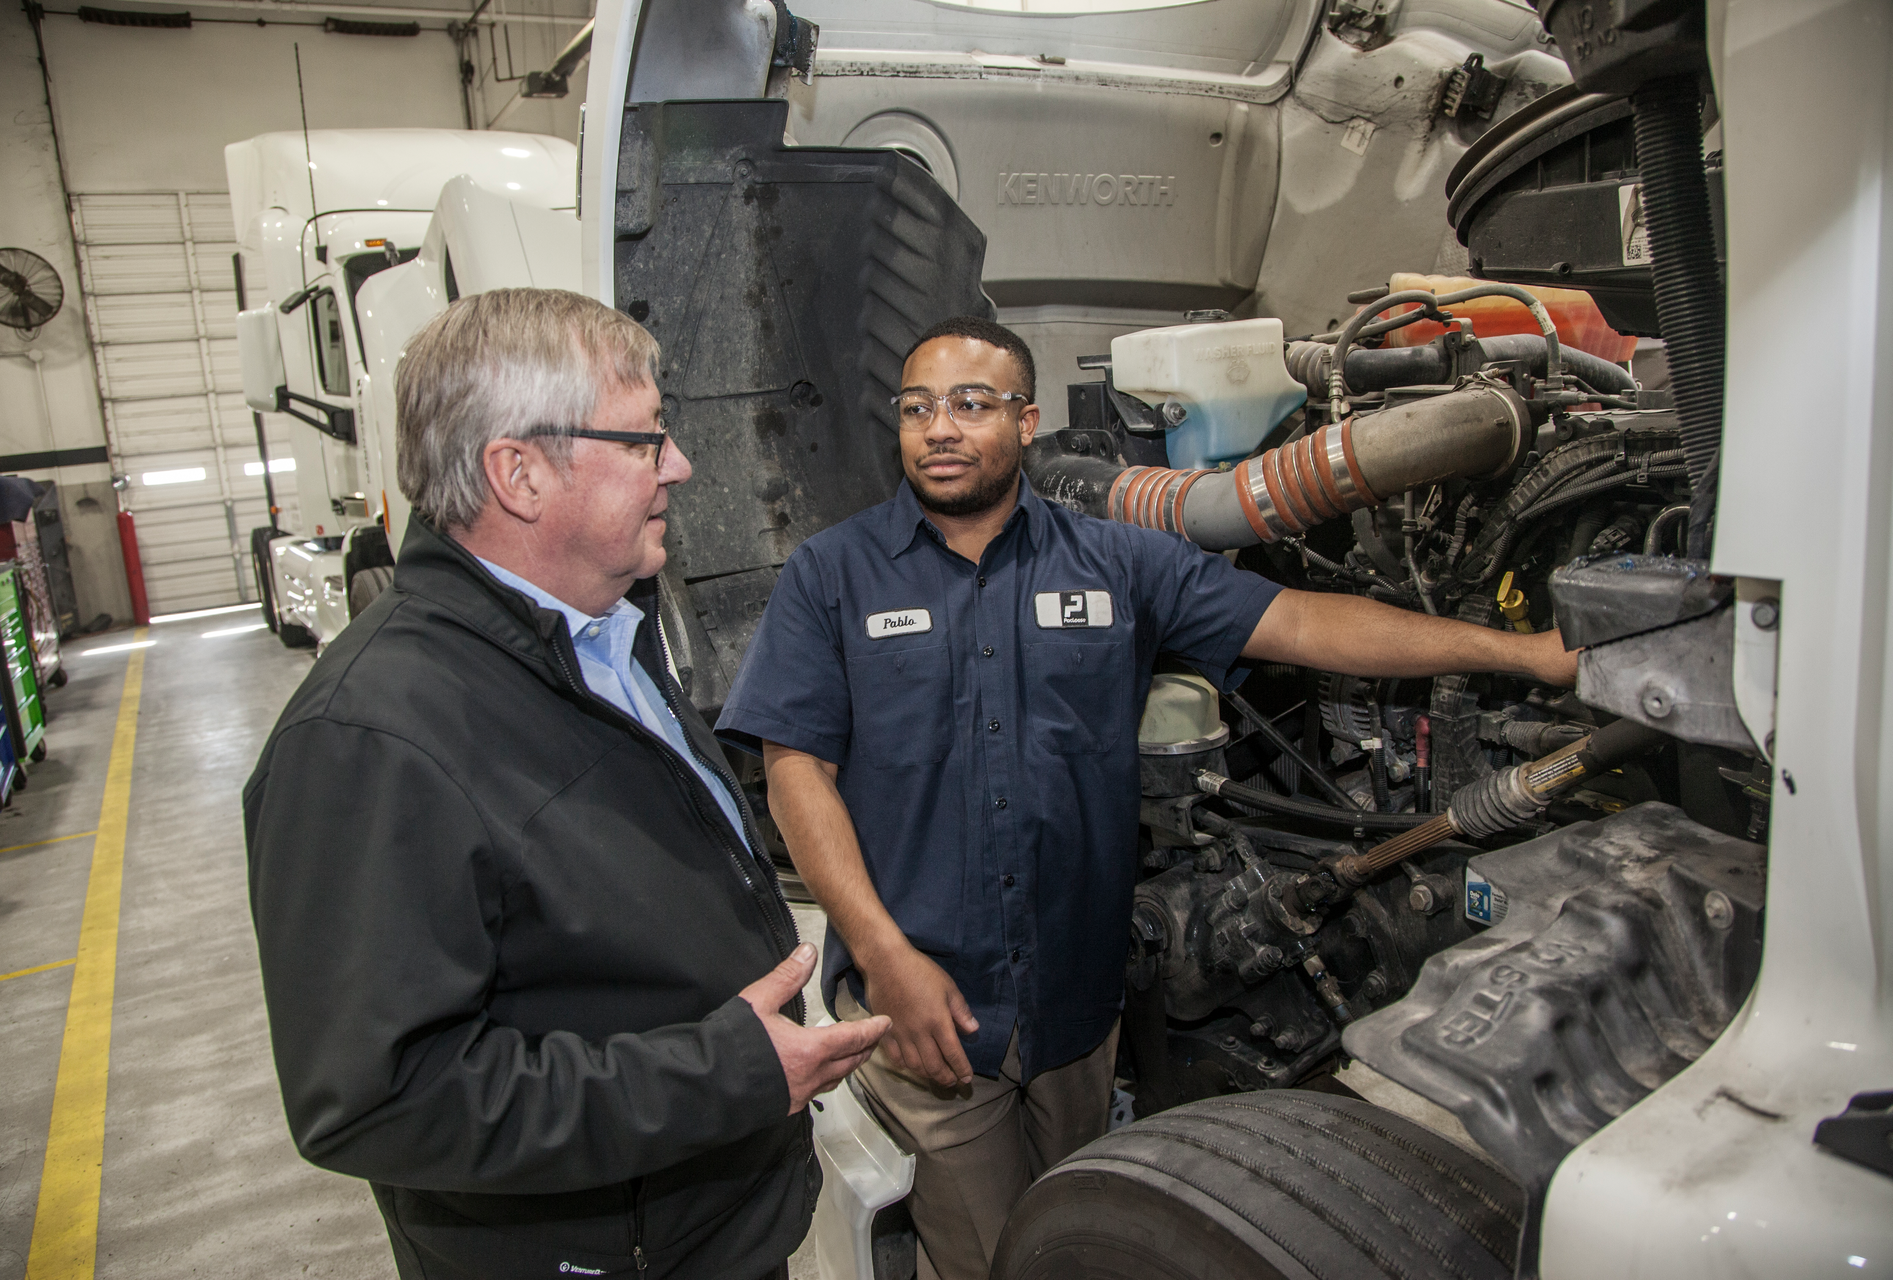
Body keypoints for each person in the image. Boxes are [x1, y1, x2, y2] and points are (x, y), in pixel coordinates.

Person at [714, 315, 1578, 1280]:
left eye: (970, 404)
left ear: (1028, 420)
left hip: (1079, 1004)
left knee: (1083, 1229)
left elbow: (1304, 623)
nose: (939, 429)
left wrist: (1522, 653)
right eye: (918, 409)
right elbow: (796, 771)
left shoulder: (1114, 563)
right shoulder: (834, 574)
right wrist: (884, 957)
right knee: (988, 1258)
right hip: (929, 1008)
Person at [243, 288, 889, 1280]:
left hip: (706, 1226)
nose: (679, 463)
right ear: (520, 472)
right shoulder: (370, 738)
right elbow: (382, 1096)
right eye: (643, 441)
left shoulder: (603, 632)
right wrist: (718, 1075)